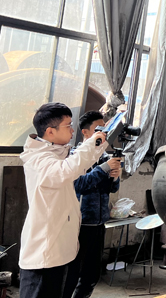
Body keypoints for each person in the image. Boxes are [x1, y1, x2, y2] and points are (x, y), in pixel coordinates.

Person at [19, 103, 108, 298]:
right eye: (68, 126)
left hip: (64, 251)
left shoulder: (57, 152)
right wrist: (93, 142)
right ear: (50, 131)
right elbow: (66, 171)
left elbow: (76, 165)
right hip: (45, 257)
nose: (72, 130)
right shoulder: (38, 159)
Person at [62, 111, 122, 298]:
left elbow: (111, 189)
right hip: (80, 224)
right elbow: (79, 185)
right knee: (72, 273)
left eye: (105, 128)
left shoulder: (103, 157)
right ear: (86, 132)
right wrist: (103, 169)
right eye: (99, 129)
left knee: (91, 274)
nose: (104, 132)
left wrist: (115, 177)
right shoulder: (74, 156)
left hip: (99, 223)